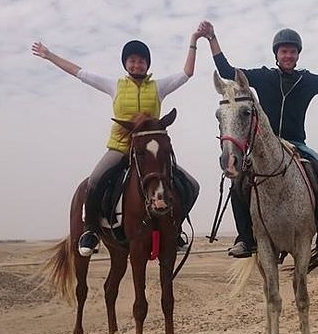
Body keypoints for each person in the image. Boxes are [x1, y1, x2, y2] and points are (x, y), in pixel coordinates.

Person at [31, 29, 204, 256]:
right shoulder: (115, 86)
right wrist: (49, 55)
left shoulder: (158, 87)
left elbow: (187, 73)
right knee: (94, 182)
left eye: (141, 61)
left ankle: (176, 228)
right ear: (125, 64)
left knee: (191, 185)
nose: (136, 65)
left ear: (147, 64)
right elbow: (79, 72)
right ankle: (91, 232)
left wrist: (193, 40)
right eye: (132, 61)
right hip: (121, 148)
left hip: (149, 153)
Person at [199, 20, 318, 257]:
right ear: (277, 54)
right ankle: (245, 238)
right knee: (237, 178)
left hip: (296, 143)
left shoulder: (307, 80)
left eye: (292, 52)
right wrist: (212, 38)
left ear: (298, 55)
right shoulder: (264, 77)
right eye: (284, 51)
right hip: (265, 144)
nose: (288, 55)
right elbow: (225, 71)